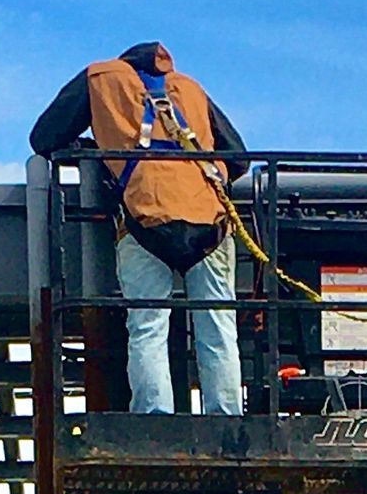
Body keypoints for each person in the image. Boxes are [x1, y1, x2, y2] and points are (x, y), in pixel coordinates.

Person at [31, 43, 251, 417]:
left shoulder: (101, 77)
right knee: (217, 328)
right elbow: (239, 157)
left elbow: (43, 139)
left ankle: (154, 416)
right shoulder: (190, 88)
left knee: (148, 327)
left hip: (146, 218)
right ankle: (226, 418)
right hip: (209, 219)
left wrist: (93, 147)